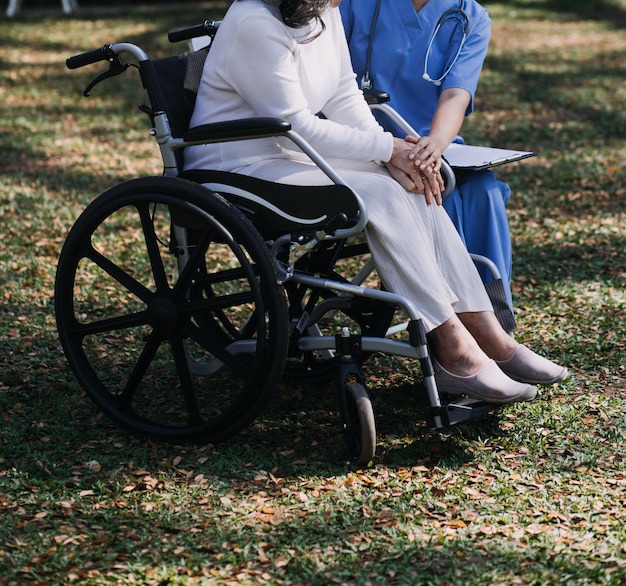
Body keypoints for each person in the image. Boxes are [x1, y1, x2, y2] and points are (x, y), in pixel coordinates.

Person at [184, 0, 568, 404]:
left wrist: (390, 157)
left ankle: (489, 334)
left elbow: (343, 95)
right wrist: (386, 149)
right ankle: (453, 348)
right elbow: (295, 126)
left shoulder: (321, 10)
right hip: (240, 165)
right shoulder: (254, 21)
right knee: (382, 191)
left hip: (291, 155)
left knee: (410, 182)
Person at [339, 0, 515, 311]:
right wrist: (388, 148)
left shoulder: (470, 16)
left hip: (433, 147)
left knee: (484, 193)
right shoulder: (354, 4)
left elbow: (455, 93)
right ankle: (448, 323)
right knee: (431, 191)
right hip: (362, 145)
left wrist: (434, 143)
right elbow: (329, 77)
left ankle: (495, 319)